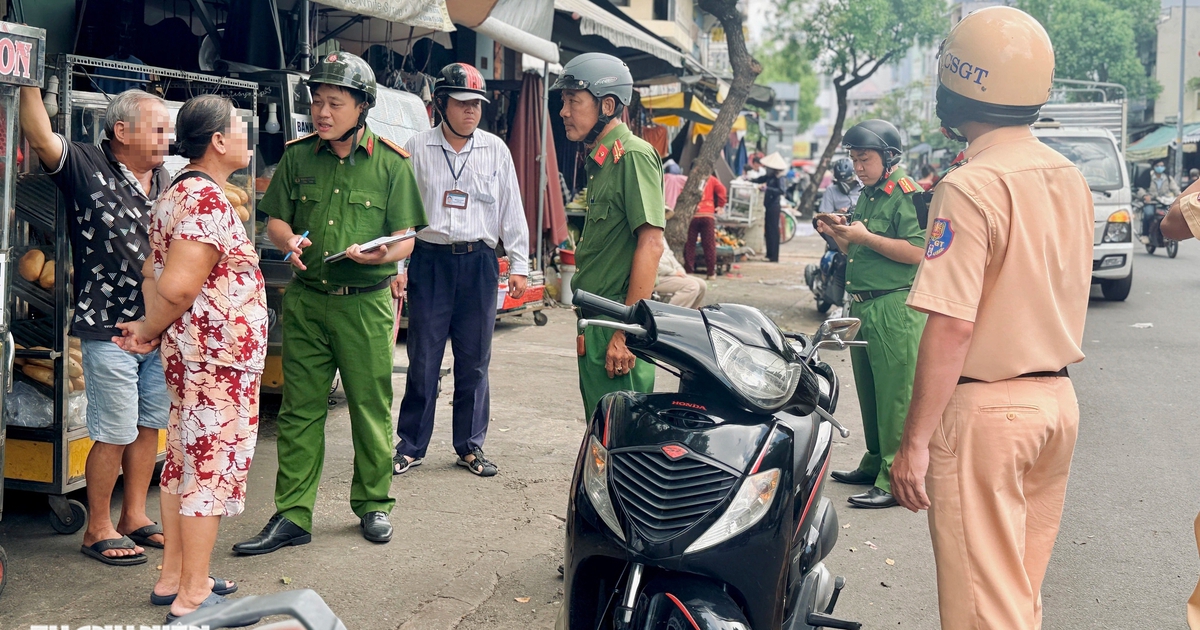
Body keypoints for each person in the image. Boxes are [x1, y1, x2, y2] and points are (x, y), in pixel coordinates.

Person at [887, 8, 1093, 629]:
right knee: (1016, 597)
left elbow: (953, 325)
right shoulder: (1070, 178)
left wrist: (913, 443)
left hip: (987, 417)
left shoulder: (971, 186)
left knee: (984, 610)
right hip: (1055, 405)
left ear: (957, 85)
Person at [235, 51, 426, 554]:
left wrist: (384, 253)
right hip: (307, 302)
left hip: (365, 304)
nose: (322, 112)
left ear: (362, 106)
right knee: (300, 410)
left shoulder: (391, 163)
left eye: (334, 103)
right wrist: (286, 241)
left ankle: (374, 504)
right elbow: (275, 219)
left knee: (369, 406)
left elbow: (408, 238)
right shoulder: (298, 157)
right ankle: (293, 514)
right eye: (317, 102)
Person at [114, 95, 267, 622]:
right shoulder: (204, 200)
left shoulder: (178, 192)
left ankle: (175, 576)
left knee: (183, 461)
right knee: (210, 468)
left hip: (196, 358)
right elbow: (177, 286)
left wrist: (151, 329)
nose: (249, 136)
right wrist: (153, 326)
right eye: (241, 128)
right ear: (219, 141)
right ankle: (194, 594)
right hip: (217, 363)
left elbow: (153, 275)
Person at [19, 87, 171, 564]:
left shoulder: (166, 178)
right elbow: (40, 135)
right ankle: (97, 527)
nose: (167, 138)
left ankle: (133, 517)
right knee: (115, 429)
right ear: (121, 131)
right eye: (158, 128)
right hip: (108, 325)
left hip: (160, 323)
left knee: (149, 425)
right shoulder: (85, 165)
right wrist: (27, 78)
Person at [391, 63, 529, 478]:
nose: (472, 112)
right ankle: (411, 445)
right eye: (463, 103)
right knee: (423, 359)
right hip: (429, 261)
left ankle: (470, 447)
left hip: (479, 265)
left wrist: (519, 265)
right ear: (440, 105)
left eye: (477, 105)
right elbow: (400, 215)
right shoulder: (416, 147)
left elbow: (512, 210)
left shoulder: (495, 150)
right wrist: (398, 266)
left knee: (474, 361)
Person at [815, 119, 925, 509]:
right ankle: (875, 461)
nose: (857, 167)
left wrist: (864, 236)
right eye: (854, 159)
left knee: (895, 394)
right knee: (869, 391)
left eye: (865, 159)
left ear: (889, 157)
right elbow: (857, 251)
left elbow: (916, 252)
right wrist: (837, 233)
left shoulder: (906, 194)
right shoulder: (870, 195)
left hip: (894, 306)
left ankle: (894, 477)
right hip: (863, 304)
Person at [551, 52, 665, 416]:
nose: (564, 111)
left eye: (573, 101)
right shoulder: (601, 161)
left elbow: (651, 244)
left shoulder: (632, 156)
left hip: (617, 323)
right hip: (598, 322)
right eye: (563, 101)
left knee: (621, 442)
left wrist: (626, 333)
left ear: (608, 104)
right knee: (602, 436)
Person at [683, 169, 727, 279]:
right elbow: (722, 190)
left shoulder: (691, 180)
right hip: (708, 215)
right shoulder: (712, 179)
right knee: (709, 245)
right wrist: (721, 205)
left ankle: (689, 271)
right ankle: (711, 273)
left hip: (694, 215)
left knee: (690, 244)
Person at [815, 157, 862, 252]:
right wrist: (837, 213)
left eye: (848, 182)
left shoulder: (862, 188)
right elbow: (824, 213)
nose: (844, 186)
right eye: (842, 182)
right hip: (838, 228)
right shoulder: (831, 190)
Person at [753, 152, 787, 262]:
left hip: (774, 206)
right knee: (768, 230)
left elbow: (781, 190)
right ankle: (769, 254)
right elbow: (759, 179)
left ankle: (774, 256)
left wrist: (768, 189)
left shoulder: (779, 178)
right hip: (768, 205)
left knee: (773, 230)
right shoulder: (770, 176)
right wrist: (748, 180)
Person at [655, 238, 706, 308]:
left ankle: (690, 314)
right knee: (692, 286)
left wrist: (680, 270)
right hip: (656, 277)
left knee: (702, 285)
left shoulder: (662, 237)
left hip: (669, 274)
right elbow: (653, 266)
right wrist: (673, 272)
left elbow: (670, 255)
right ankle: (669, 315)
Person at [1137, 159, 1179, 239]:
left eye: (1162, 166)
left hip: (1165, 201)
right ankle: (1145, 234)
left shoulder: (1167, 177)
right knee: (1148, 214)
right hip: (1152, 201)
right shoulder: (1148, 176)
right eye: (1157, 166)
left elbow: (1175, 188)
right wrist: (1145, 195)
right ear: (1154, 167)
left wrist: (1180, 195)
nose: (1160, 167)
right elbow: (1141, 188)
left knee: (1174, 214)